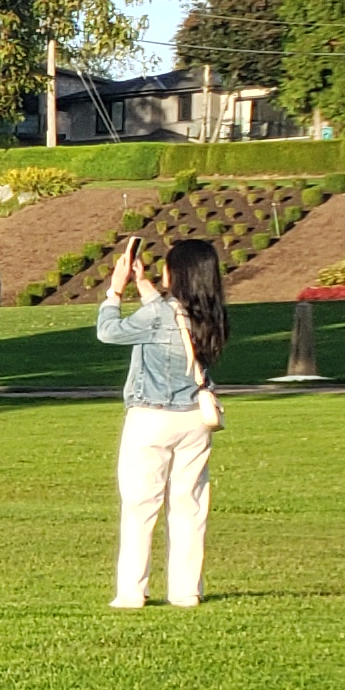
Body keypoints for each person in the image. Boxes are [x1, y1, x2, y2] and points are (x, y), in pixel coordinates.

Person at [98, 232, 229, 607]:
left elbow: (109, 333)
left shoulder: (158, 313)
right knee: (189, 507)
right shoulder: (211, 313)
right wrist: (143, 285)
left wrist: (115, 292)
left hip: (150, 417)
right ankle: (186, 591)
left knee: (141, 507)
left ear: (179, 271)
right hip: (195, 419)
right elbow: (173, 319)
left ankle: (132, 592)